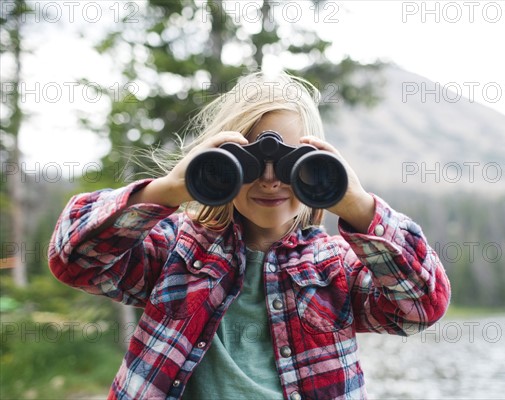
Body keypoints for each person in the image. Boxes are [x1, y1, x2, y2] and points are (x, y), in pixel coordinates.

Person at [48, 71, 451, 400]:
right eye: (251, 162)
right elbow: (74, 258)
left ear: (319, 167)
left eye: (294, 164)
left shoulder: (336, 267)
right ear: (221, 166)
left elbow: (420, 306)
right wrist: (169, 189)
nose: (271, 179)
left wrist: (358, 206)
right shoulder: (175, 250)